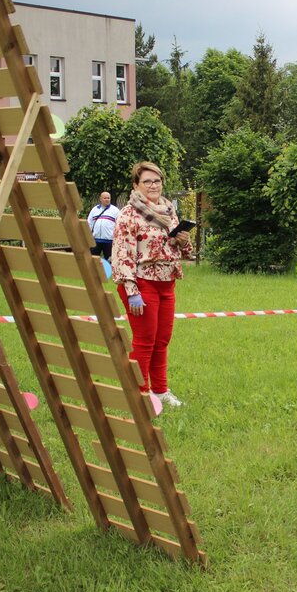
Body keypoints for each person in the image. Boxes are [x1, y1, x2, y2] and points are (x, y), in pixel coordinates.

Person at [111, 162, 192, 408]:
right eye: (147, 181)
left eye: (157, 180)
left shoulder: (168, 210)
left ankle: (160, 390)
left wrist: (183, 240)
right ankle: (139, 394)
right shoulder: (129, 213)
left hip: (167, 282)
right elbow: (122, 253)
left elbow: (184, 252)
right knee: (145, 340)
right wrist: (131, 290)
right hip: (141, 283)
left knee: (162, 340)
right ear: (136, 185)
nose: (153, 185)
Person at [87, 192, 119, 260]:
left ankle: (108, 271)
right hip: (95, 240)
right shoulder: (94, 209)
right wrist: (88, 236)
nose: (107, 199)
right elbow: (89, 223)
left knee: (110, 261)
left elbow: (119, 225)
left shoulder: (115, 210)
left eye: (108, 198)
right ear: (100, 199)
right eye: (105, 198)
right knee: (93, 260)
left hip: (109, 241)